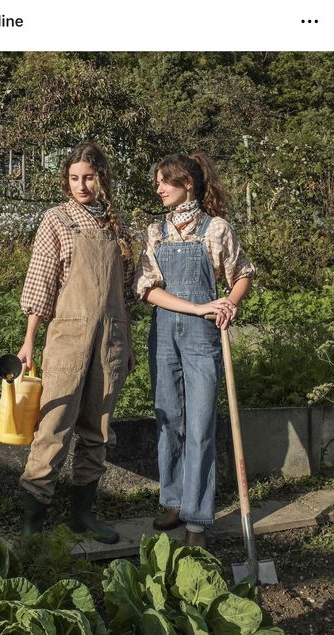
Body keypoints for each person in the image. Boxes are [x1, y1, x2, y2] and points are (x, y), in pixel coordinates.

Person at [134, 152, 255, 548]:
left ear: (187, 183)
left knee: (200, 426)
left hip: (203, 337)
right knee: (169, 420)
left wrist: (229, 304)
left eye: (165, 181)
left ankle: (198, 521)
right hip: (165, 334)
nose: (158, 187)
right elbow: (148, 290)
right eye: (157, 182)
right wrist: (200, 305)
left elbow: (242, 274)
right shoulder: (155, 232)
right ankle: (173, 500)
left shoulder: (216, 229)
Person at [17, 141, 135, 544]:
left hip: (111, 341)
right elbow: (40, 282)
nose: (80, 185)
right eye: (73, 178)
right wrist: (29, 340)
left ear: (101, 178)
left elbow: (128, 292)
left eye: (88, 177)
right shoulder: (56, 220)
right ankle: (33, 522)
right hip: (67, 339)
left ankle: (82, 516)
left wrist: (127, 340)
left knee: (97, 430)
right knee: (53, 426)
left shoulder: (118, 226)